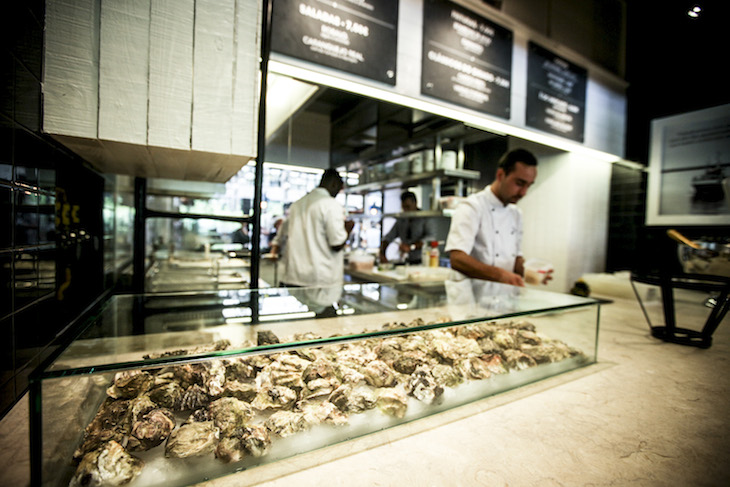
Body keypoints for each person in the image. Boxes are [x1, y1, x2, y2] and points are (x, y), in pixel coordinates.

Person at [445, 148, 549, 287]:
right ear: (500, 175)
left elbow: (515, 258)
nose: (524, 192)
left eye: (528, 185)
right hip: (472, 298)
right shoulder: (472, 206)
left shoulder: (516, 214)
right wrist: (500, 275)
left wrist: (530, 272)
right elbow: (457, 258)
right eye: (519, 183)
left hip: (505, 299)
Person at [271, 169, 354, 286]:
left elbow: (283, 234)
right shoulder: (331, 204)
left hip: (293, 277)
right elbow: (336, 244)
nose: (338, 193)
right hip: (319, 280)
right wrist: (348, 230)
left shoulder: (297, 204)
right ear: (334, 184)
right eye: (339, 189)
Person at [379, 191, 436, 264]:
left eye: (408, 206)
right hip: (406, 260)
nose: (406, 210)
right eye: (404, 207)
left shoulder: (425, 218)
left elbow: (430, 238)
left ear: (415, 203)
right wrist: (382, 254)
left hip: (422, 261)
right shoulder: (402, 220)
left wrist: (411, 247)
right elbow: (388, 237)